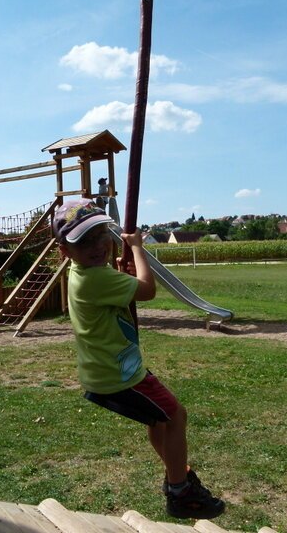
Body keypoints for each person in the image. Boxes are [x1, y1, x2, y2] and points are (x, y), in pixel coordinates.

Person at [53, 199, 225, 520]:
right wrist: (136, 249)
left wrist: (121, 269)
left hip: (109, 371)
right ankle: (180, 492)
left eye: (100, 234)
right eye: (83, 241)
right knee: (175, 415)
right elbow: (147, 290)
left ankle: (178, 471)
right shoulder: (95, 279)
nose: (97, 246)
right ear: (65, 252)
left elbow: (120, 289)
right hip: (119, 376)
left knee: (159, 421)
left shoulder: (88, 273)